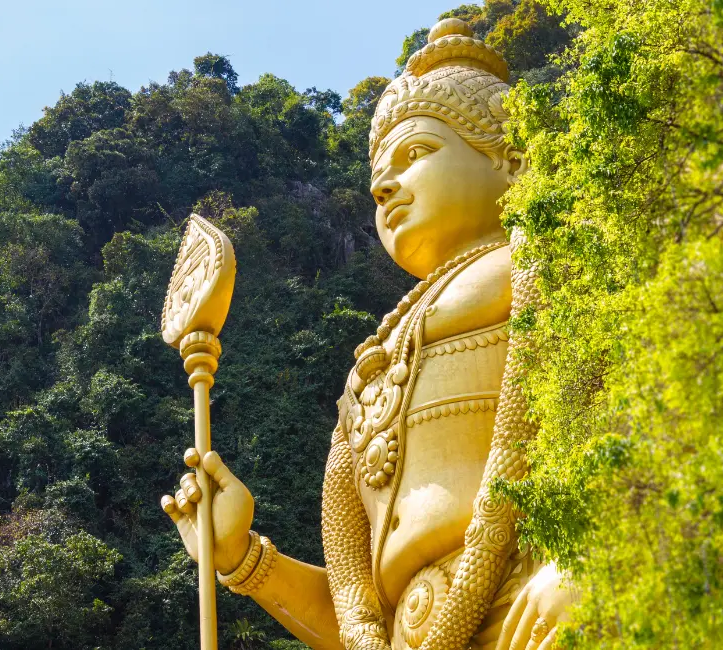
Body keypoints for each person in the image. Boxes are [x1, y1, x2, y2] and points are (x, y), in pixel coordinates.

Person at [161, 18, 575, 650]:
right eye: (379, 170)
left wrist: (582, 569)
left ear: (511, 160)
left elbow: (640, 426)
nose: (384, 184)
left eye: (417, 154)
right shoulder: (370, 370)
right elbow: (356, 618)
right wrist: (241, 558)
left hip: (534, 604)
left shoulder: (549, 266)